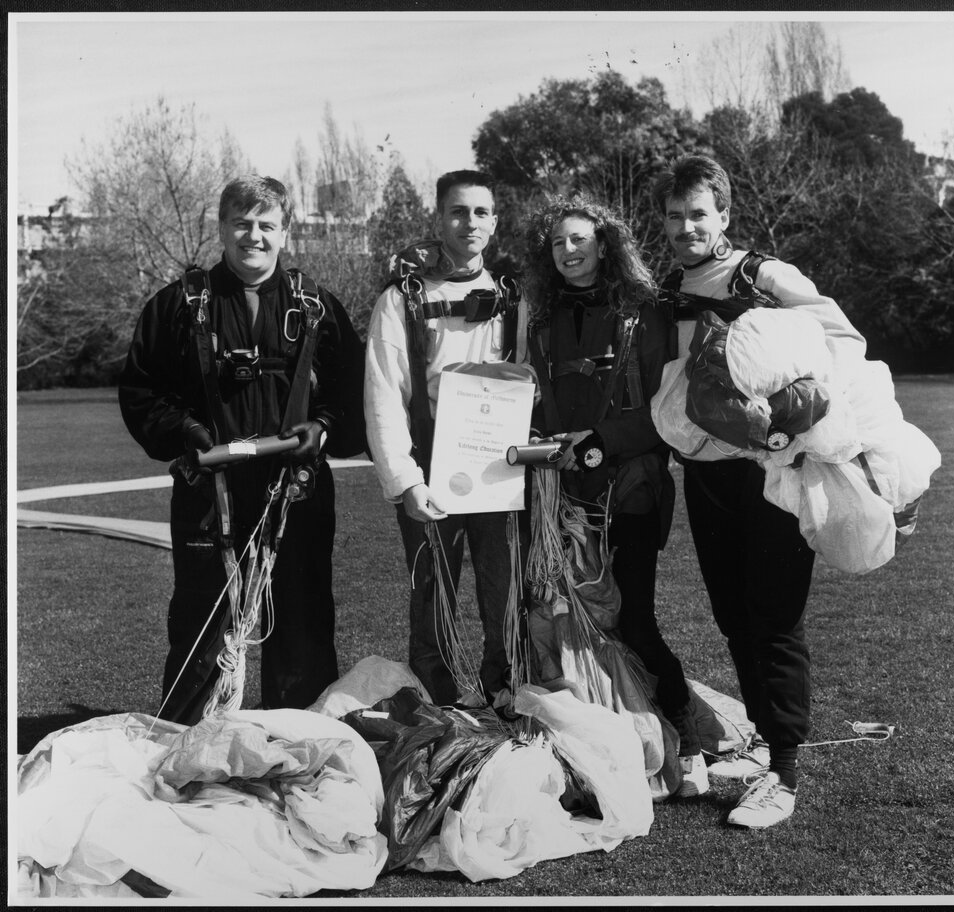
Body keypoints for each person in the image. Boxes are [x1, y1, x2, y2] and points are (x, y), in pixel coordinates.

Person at [652, 154, 868, 827]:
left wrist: (790, 404)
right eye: (675, 215)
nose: (687, 226)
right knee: (732, 613)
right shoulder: (667, 289)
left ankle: (785, 774)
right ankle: (763, 749)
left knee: (774, 617)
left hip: (775, 472)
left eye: (699, 214)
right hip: (707, 474)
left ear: (723, 216)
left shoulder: (763, 275)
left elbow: (844, 338)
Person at [119, 175, 366, 725]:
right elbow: (141, 390)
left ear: (286, 231)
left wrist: (323, 426)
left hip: (295, 490)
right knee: (203, 619)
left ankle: (299, 746)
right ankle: (187, 744)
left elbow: (354, 392)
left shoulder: (317, 307)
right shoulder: (180, 305)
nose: (253, 236)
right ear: (222, 226)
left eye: (266, 225)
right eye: (242, 223)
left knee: (300, 618)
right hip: (211, 489)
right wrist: (184, 430)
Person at [521, 194, 709, 799]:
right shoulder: (544, 322)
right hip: (562, 494)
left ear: (604, 243)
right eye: (558, 243)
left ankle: (687, 732)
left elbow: (666, 411)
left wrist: (603, 441)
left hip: (630, 489)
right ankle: (606, 739)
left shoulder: (645, 311)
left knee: (633, 619)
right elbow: (539, 399)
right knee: (571, 621)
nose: (569, 251)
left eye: (579, 239)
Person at [364, 169, 529, 707]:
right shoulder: (402, 298)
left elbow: (530, 378)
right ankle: (435, 705)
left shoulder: (512, 296)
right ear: (439, 219)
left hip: (497, 463)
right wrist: (406, 482)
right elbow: (383, 394)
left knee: (503, 588)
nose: (470, 222)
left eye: (481, 212)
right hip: (430, 461)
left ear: (495, 223)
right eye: (458, 211)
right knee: (432, 591)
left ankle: (501, 693)